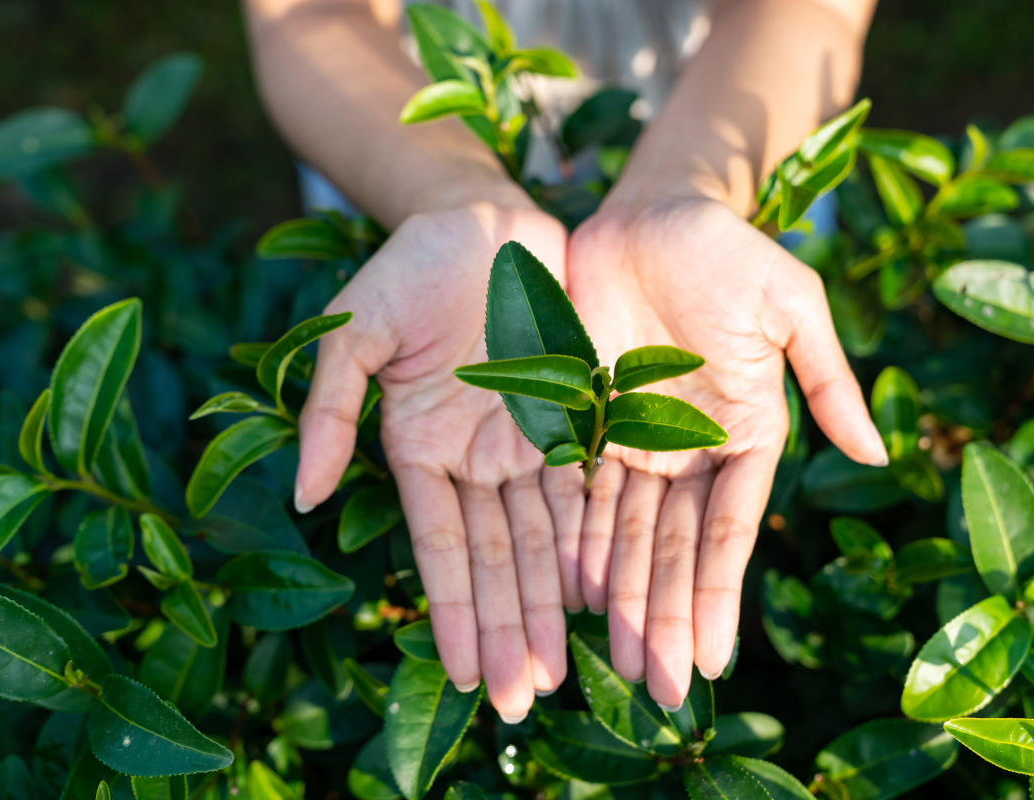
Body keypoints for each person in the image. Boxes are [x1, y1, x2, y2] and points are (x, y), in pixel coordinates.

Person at [244, 0, 885, 724]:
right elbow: (307, 13)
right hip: (395, 122)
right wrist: (451, 197)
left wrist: (685, 189)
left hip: (736, 117)